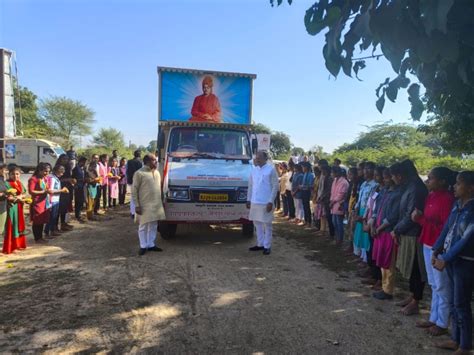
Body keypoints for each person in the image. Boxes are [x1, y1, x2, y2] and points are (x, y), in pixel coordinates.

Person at [432, 171, 474, 354]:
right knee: (454, 302)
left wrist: (446, 259)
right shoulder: (457, 206)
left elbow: (466, 239)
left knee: (462, 304)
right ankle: (455, 339)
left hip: (465, 262)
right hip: (450, 260)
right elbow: (447, 229)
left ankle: (465, 345)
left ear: (471, 188)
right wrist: (436, 249)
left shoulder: (472, 211)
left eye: (459, 183)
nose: (454, 186)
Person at [412, 167, 456, 336]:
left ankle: (443, 322)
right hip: (427, 242)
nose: (428, 181)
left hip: (439, 246)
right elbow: (429, 220)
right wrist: (421, 219)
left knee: (442, 285)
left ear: (443, 181)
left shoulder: (447, 200)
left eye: (431, 178)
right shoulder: (431, 196)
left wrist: (420, 219)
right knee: (433, 283)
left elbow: (445, 227)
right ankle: (433, 317)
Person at [391, 159, 429, 316]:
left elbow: (410, 215)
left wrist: (396, 229)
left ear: (400, 175)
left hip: (414, 233)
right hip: (407, 232)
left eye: (393, 175)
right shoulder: (410, 186)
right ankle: (413, 296)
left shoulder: (416, 188)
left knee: (415, 269)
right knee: (410, 267)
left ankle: (416, 301)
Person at [371, 166, 402, 300]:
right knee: (381, 260)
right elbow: (376, 209)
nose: (385, 180)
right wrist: (372, 223)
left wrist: (379, 228)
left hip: (387, 231)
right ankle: (383, 286)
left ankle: (388, 289)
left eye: (388, 177)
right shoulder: (384, 191)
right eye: (384, 177)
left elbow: (393, 216)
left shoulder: (398, 194)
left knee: (389, 261)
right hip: (378, 230)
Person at [132, 153, 166, 256]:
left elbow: (160, 188)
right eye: (154, 160)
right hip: (144, 204)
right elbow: (134, 190)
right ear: (147, 161)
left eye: (156, 160)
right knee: (143, 225)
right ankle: (143, 246)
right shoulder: (139, 173)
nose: (156, 162)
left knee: (154, 225)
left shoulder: (157, 173)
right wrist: (137, 205)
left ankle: (151, 244)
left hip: (156, 204)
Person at [247, 151, 279, 255]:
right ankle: (260, 244)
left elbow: (275, 186)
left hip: (266, 202)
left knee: (267, 224)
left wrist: (271, 201)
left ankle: (267, 246)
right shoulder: (254, 170)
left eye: (259, 157)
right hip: (255, 201)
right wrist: (248, 199)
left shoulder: (271, 169)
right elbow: (251, 186)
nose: (257, 159)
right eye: (256, 157)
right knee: (257, 223)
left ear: (265, 158)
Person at [353, 162, 378, 261]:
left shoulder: (375, 185)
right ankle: (361, 256)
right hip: (360, 211)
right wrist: (356, 209)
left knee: (366, 237)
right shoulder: (363, 183)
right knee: (360, 235)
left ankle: (366, 260)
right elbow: (360, 199)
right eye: (365, 169)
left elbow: (371, 202)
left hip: (368, 213)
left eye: (369, 169)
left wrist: (364, 216)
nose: (366, 171)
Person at [3, 166, 28, 254]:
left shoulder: (20, 183)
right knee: (11, 225)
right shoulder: (6, 183)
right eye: (13, 174)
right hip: (11, 207)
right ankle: (10, 247)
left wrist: (20, 197)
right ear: (9, 174)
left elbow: (24, 193)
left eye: (17, 174)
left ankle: (19, 244)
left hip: (19, 207)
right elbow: (7, 197)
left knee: (19, 225)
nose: (15, 176)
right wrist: (17, 198)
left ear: (20, 175)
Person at [28, 163, 51, 243]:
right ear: (39, 170)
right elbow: (31, 191)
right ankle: (37, 238)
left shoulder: (45, 179)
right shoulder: (33, 179)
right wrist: (43, 191)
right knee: (37, 220)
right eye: (45, 171)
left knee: (42, 220)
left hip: (44, 202)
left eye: (48, 171)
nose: (47, 173)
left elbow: (47, 188)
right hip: (37, 202)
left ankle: (40, 237)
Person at [45, 165, 69, 238]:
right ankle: (47, 232)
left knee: (54, 217)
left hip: (56, 199)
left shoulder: (56, 178)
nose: (62, 174)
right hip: (52, 200)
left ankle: (52, 231)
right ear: (57, 171)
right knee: (51, 217)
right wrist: (61, 190)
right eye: (61, 172)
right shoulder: (52, 178)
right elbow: (51, 191)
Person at [330, 166, 349, 245]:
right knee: (334, 222)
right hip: (333, 203)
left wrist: (333, 201)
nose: (331, 174)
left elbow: (341, 194)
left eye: (332, 172)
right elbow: (332, 192)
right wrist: (331, 201)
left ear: (337, 173)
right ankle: (337, 237)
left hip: (339, 204)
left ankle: (340, 239)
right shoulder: (334, 180)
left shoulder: (344, 182)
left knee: (339, 223)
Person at [55, 154, 74, 231]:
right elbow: (57, 179)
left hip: (67, 189)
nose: (65, 160)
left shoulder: (68, 167)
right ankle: (55, 226)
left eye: (67, 159)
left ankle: (63, 223)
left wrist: (71, 181)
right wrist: (67, 180)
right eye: (64, 159)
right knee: (59, 209)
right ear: (60, 159)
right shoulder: (58, 168)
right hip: (60, 190)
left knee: (65, 208)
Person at [316, 165, 334, 236]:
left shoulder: (329, 178)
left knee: (329, 217)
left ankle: (331, 234)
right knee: (323, 215)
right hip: (323, 199)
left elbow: (328, 190)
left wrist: (321, 197)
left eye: (322, 170)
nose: (321, 171)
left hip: (327, 200)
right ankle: (323, 230)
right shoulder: (324, 177)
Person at [126, 150, 143, 218]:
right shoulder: (141, 162)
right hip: (139, 182)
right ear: (140, 155)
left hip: (131, 181)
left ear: (134, 154)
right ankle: (138, 212)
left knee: (133, 197)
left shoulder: (129, 162)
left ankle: (133, 213)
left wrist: (128, 180)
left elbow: (127, 172)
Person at [72, 157, 87, 222]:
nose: (84, 164)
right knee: (78, 201)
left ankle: (79, 214)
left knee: (81, 201)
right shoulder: (76, 169)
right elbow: (74, 178)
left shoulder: (82, 169)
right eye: (84, 162)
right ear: (81, 162)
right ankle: (77, 215)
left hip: (82, 186)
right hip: (78, 186)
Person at [300, 162, 315, 226]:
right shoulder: (304, 174)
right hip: (303, 191)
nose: (302, 168)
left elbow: (311, 185)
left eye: (303, 167)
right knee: (304, 206)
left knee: (307, 207)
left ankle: (309, 221)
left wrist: (303, 186)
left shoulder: (311, 175)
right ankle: (306, 220)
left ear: (307, 167)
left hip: (307, 192)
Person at [0, 164, 8, 245]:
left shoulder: (2, 179)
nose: (6, 172)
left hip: (3, 206)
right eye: (4, 170)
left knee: (1, 229)